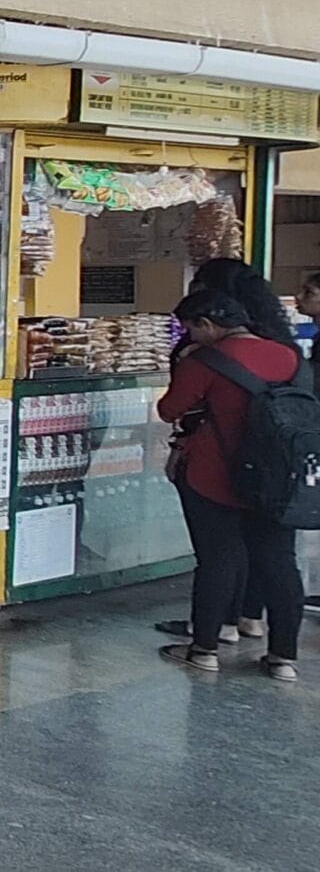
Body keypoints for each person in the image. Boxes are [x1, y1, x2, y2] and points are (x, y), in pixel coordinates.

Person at [157, 290, 303, 681]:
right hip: (277, 476)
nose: (188, 338)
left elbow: (169, 409)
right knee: (279, 562)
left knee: (219, 559)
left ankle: (204, 650)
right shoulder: (290, 356)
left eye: (190, 329)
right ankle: (283, 658)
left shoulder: (203, 361)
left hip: (214, 472)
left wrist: (188, 368)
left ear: (206, 325)